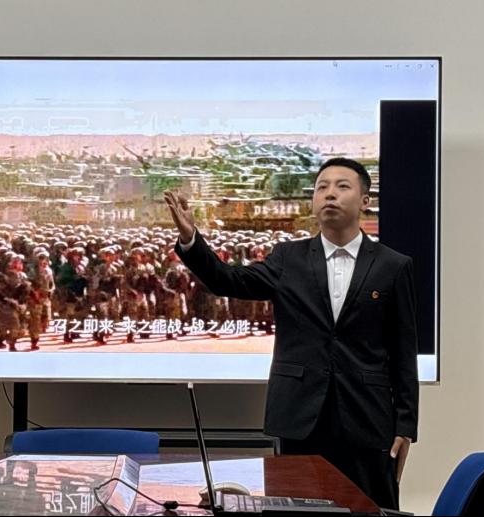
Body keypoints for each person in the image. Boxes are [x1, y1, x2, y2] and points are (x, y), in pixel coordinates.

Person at [164, 157, 418, 510]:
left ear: (364, 200)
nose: (330, 194)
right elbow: (227, 280)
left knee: (370, 509)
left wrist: (405, 426)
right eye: (322, 187)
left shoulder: (393, 265)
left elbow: (403, 349)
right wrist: (191, 239)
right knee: (297, 508)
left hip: (368, 418)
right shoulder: (289, 258)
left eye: (342, 186)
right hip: (300, 416)